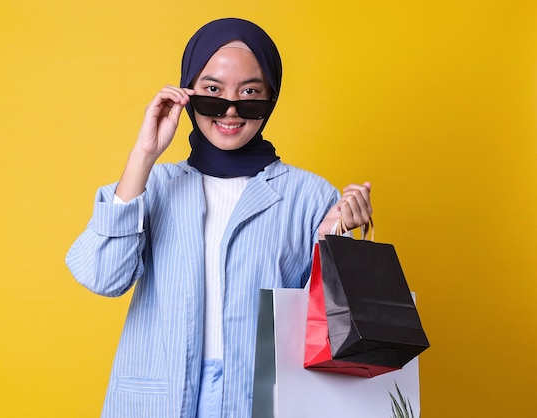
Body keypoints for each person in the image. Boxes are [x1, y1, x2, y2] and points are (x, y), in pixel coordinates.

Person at [66, 17, 372, 418]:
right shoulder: (153, 185)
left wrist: (331, 243)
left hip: (259, 398)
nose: (230, 110)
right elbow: (104, 277)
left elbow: (326, 330)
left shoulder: (310, 195)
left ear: (271, 99)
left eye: (250, 93)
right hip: (158, 397)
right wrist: (142, 156)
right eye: (212, 91)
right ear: (188, 93)